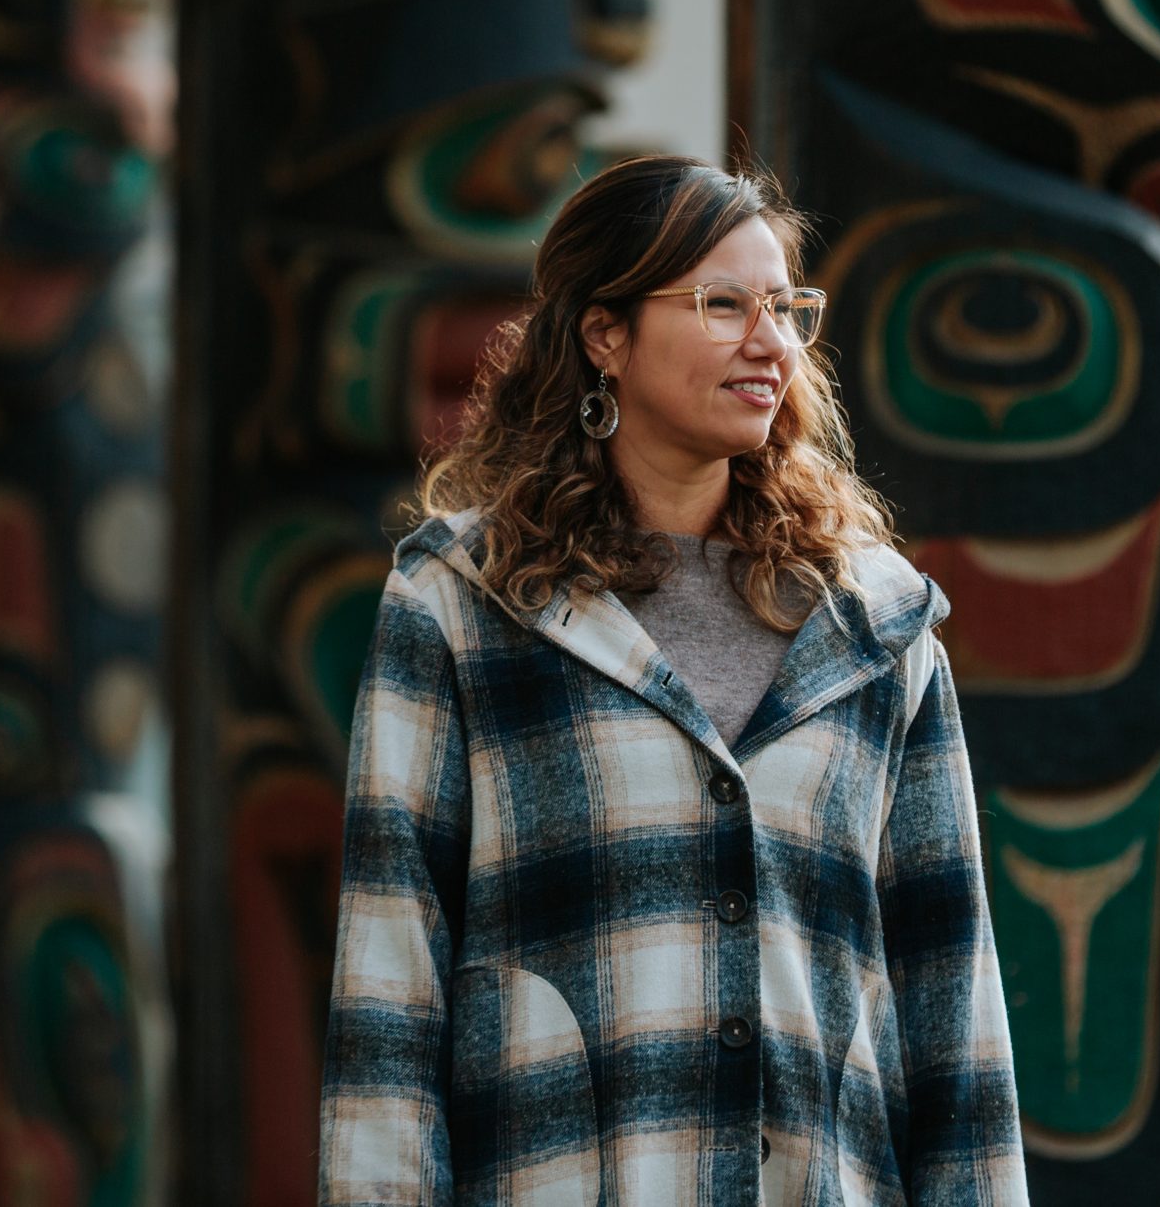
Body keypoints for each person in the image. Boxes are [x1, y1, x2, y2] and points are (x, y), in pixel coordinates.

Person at [319, 155, 1029, 1204]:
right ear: (605, 334)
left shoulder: (877, 625)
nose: (771, 342)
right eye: (723, 304)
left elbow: (951, 1002)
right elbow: (389, 989)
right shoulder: (464, 604)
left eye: (787, 308)